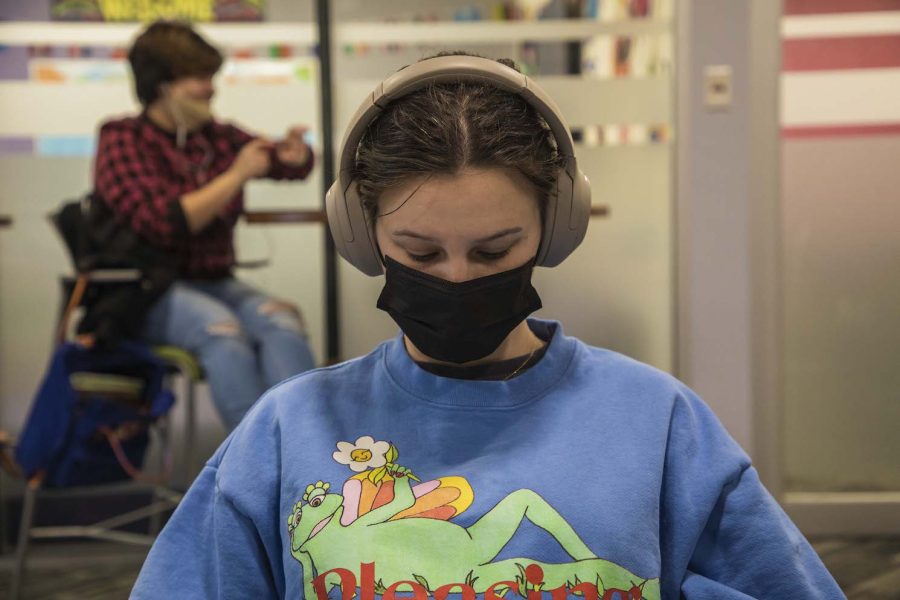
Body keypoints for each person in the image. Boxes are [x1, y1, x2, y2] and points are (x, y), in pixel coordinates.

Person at [131, 54, 844, 599]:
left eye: (495, 251)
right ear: (361, 235)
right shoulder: (285, 431)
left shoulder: (659, 423)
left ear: (556, 228)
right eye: (420, 252)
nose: (458, 279)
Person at [92, 21, 316, 431]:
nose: (211, 88)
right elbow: (164, 222)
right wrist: (236, 175)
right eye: (199, 79)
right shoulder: (122, 138)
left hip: (216, 281)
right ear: (163, 86)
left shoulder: (216, 137)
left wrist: (297, 155)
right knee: (223, 333)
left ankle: (308, 447)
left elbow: (284, 165)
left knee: (283, 322)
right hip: (149, 291)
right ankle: (261, 465)